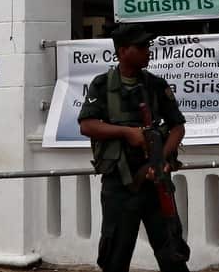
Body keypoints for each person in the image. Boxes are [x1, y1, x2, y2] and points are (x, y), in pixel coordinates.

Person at [79, 24, 189, 272]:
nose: (147, 51)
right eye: (141, 47)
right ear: (123, 51)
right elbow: (87, 125)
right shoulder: (102, 85)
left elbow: (177, 126)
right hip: (119, 185)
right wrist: (128, 133)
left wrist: (162, 159)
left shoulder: (156, 85)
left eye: (147, 45)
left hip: (156, 181)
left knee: (173, 253)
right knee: (115, 256)